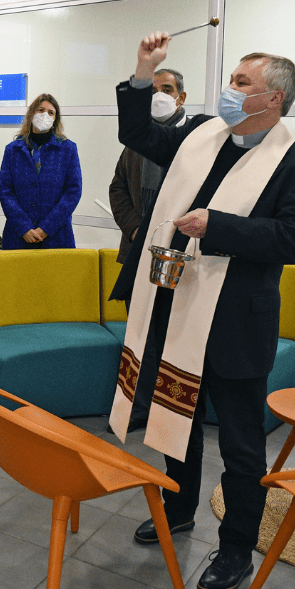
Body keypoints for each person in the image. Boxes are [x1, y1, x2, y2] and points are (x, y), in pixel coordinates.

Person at [107, 32, 295, 589]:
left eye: (241, 83)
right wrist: (142, 72)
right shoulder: (202, 133)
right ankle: (178, 510)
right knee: (174, 420)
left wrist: (218, 228)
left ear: (273, 98)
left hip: (235, 324)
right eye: (232, 80)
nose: (229, 91)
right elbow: (135, 133)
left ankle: (235, 548)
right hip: (176, 305)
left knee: (240, 444)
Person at [108, 67, 187, 433]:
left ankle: (165, 410)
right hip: (137, 253)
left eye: (166, 89)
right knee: (138, 333)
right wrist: (137, 227)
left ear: (181, 97)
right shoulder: (135, 143)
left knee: (171, 337)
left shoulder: (196, 142)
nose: (158, 95)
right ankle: (136, 408)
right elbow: (117, 189)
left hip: (179, 260)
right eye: (153, 88)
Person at [0, 94, 82, 249]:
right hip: (18, 237)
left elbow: (73, 192)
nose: (45, 115)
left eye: (51, 112)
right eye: (41, 110)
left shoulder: (67, 149)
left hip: (57, 237)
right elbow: (6, 191)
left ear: (56, 119)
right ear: (31, 114)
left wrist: (46, 228)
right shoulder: (12, 150)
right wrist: (24, 228)